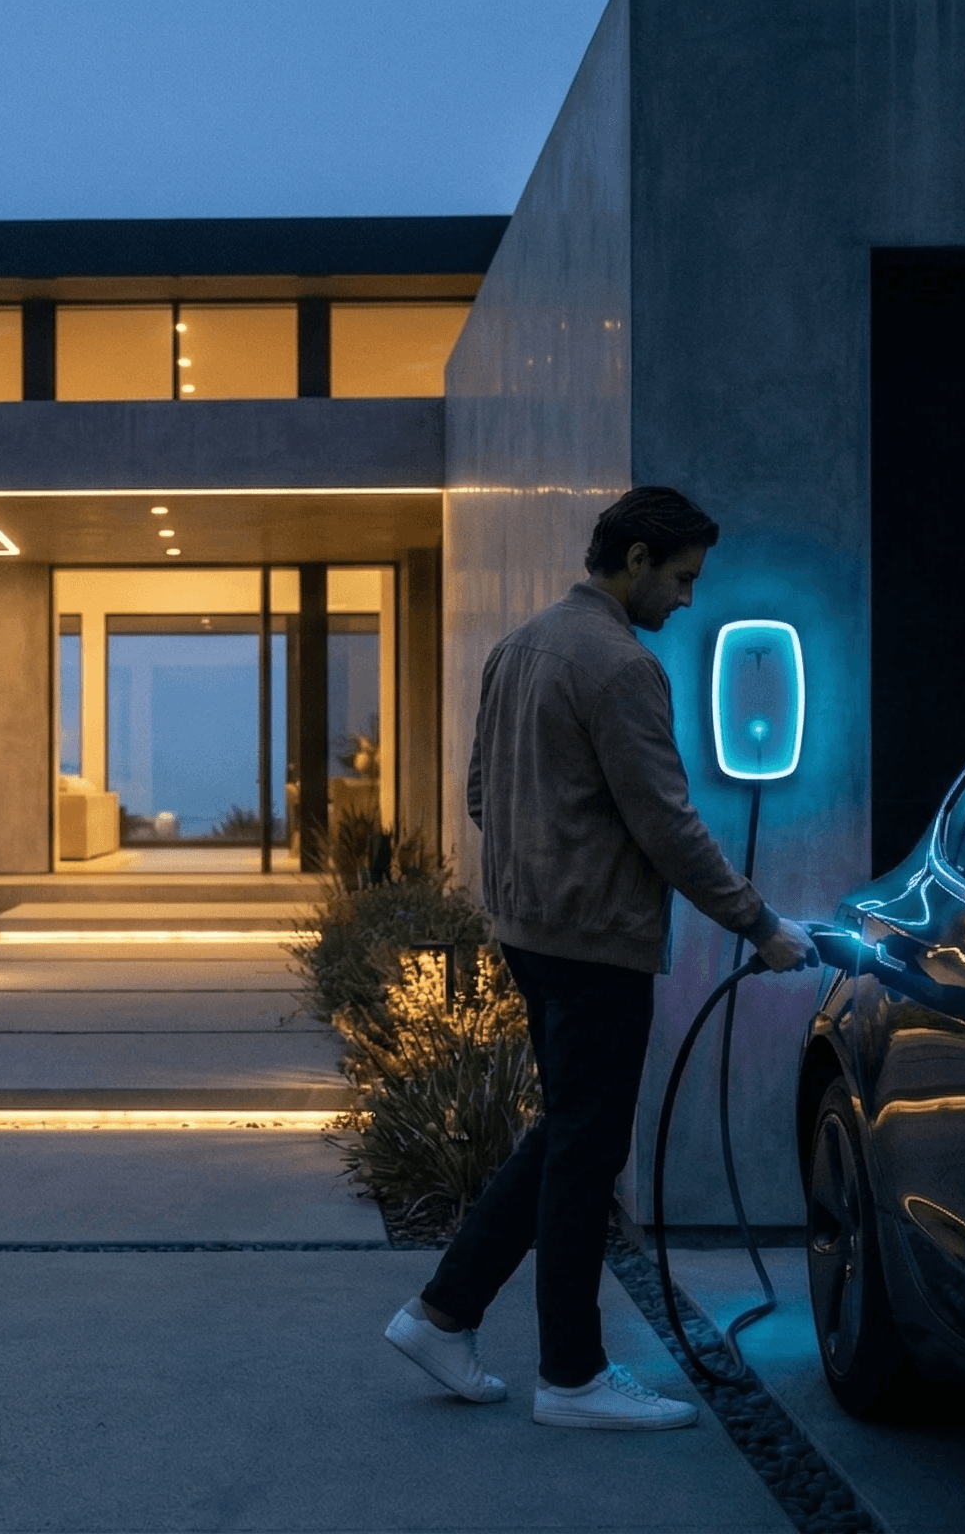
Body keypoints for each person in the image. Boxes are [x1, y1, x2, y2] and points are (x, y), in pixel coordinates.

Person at [383, 485, 817, 1430]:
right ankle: (571, 1379)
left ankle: (443, 1313)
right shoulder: (621, 668)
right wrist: (759, 923)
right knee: (586, 1152)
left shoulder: (519, 646)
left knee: (569, 1134)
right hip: (596, 945)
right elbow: (667, 824)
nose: (689, 599)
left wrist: (544, 864)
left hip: (529, 934)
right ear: (634, 561)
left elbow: (480, 796)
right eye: (683, 577)